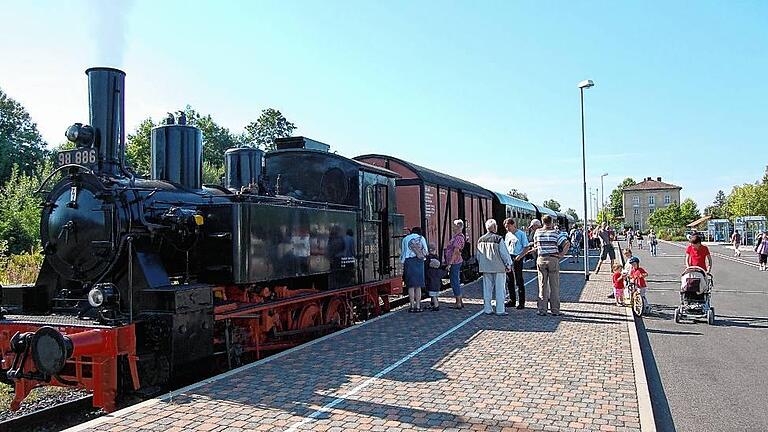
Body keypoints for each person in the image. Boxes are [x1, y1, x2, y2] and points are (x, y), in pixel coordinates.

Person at [533, 215, 570, 316]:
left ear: (542, 222)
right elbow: (566, 243)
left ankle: (542, 309)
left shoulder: (538, 232)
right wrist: (561, 255)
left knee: (542, 285)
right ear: (551, 222)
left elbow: (536, 246)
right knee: (554, 286)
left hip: (541, 259)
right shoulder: (556, 232)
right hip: (553, 259)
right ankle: (555, 310)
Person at [476, 219, 513, 316]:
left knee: (487, 289)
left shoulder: (481, 239)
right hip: (498, 268)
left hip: (486, 267)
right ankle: (500, 310)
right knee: (500, 289)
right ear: (494, 227)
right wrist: (508, 264)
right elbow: (504, 253)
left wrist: (481, 264)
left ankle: (487, 309)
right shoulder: (498, 239)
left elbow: (478, 255)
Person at [503, 218, 533, 309]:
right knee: (509, 280)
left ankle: (521, 302)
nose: (507, 229)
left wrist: (520, 256)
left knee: (519, 279)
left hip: (517, 257)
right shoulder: (507, 235)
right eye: (506, 227)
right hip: (509, 257)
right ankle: (512, 300)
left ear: (513, 225)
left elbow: (526, 247)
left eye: (509, 227)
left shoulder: (521, 234)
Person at [401, 227, 428, 312]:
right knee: (418, 286)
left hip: (409, 262)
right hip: (419, 262)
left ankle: (412, 306)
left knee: (411, 286)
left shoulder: (405, 239)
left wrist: (402, 262)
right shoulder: (421, 238)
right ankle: (418, 306)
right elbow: (426, 251)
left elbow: (403, 252)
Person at [443, 220, 467, 309]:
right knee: (455, 281)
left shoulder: (458, 238)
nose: (452, 227)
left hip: (455, 262)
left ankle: (458, 303)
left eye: (454, 226)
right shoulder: (457, 237)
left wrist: (450, 263)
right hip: (456, 261)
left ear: (459, 227)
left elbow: (456, 251)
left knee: (454, 282)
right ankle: (460, 301)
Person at [425, 244, 446, 310]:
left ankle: (436, 306)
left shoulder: (429, 270)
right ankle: (433, 304)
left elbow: (426, 272)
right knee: (435, 295)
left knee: (433, 295)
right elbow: (443, 274)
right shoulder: (437, 260)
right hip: (438, 285)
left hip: (431, 285)